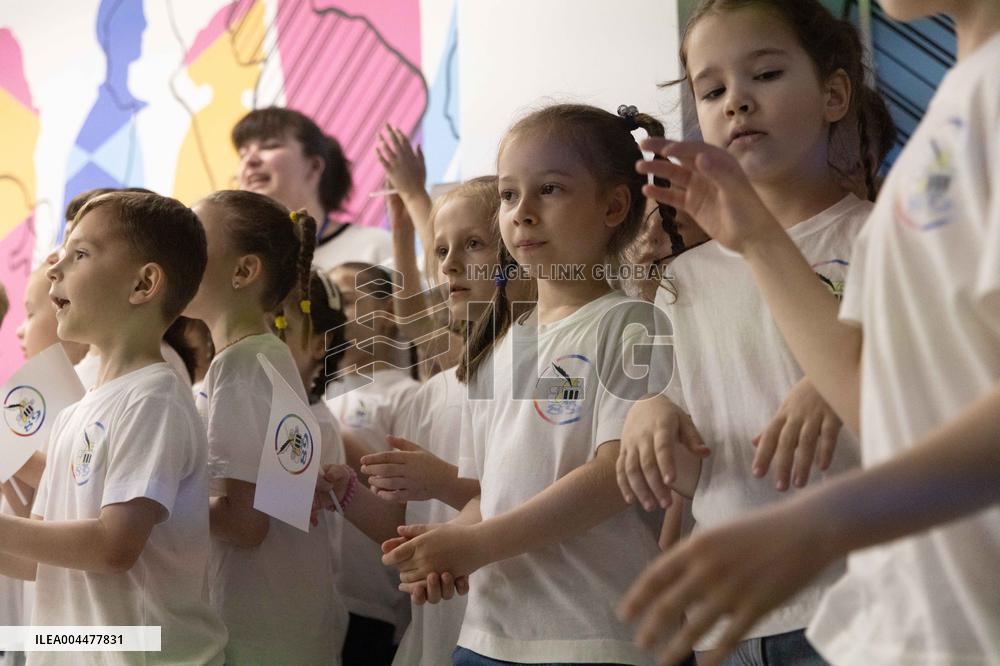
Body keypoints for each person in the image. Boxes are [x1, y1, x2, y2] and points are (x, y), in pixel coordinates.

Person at [619, 1, 1000, 664]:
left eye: (764, 74)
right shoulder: (961, 104)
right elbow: (878, 401)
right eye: (711, 90)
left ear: (833, 93)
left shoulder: (965, 122)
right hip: (906, 616)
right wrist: (756, 239)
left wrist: (826, 521)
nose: (736, 102)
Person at [382, 103, 670, 666]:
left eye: (551, 190)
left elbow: (617, 475)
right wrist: (441, 553)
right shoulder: (502, 348)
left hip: (589, 636)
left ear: (614, 205)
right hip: (487, 635)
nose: (522, 213)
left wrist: (477, 544)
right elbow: (490, 494)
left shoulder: (634, 324)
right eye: (510, 195)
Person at [0, 191, 227, 664]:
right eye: (59, 255)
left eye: (79, 254)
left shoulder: (154, 398)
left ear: (144, 283)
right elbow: (38, 557)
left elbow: (112, 546)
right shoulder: (75, 413)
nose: (54, 270)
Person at [185, 189, 343, 663]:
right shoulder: (261, 358)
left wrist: (157, 500)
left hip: (256, 634)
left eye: (195, 242)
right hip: (285, 629)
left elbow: (245, 523)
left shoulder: (241, 365)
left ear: (243, 271)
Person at [233, 107, 393, 271]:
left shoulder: (375, 247)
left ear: (314, 166)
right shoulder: (236, 265)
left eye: (269, 146)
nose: (249, 161)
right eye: (242, 154)